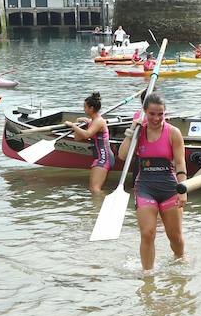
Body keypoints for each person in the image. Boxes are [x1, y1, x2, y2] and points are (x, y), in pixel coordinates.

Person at [118, 92, 187, 270]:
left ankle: (179, 259)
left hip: (169, 188)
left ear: (165, 113)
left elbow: (180, 163)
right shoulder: (138, 132)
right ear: (144, 112)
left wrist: (183, 190)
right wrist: (131, 131)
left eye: (160, 114)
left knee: (175, 237)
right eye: (152, 114)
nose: (156, 118)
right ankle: (147, 276)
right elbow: (123, 155)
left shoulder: (173, 133)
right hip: (145, 187)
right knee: (147, 233)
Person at [67, 92, 112, 193]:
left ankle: (104, 202)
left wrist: (72, 126)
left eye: (85, 107)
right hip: (99, 157)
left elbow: (87, 134)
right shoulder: (92, 121)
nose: (84, 109)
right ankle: (98, 203)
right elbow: (77, 138)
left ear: (91, 108)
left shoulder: (99, 121)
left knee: (95, 189)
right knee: (93, 189)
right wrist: (78, 123)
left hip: (103, 158)